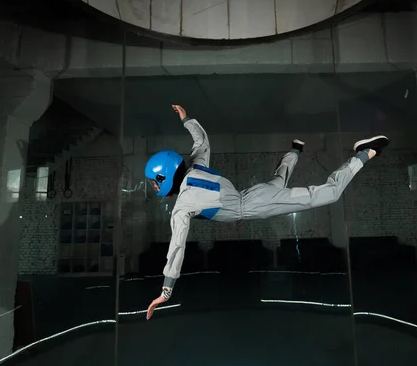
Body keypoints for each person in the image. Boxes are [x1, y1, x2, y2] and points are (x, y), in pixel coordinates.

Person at [144, 105, 389, 319]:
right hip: (253, 195)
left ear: (164, 176)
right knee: (278, 180)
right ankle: (294, 150)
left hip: (254, 205)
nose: (155, 187)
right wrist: (187, 120)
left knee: (328, 193)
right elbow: (202, 142)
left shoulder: (183, 205)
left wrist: (166, 291)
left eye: (155, 182)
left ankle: (365, 152)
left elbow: (177, 246)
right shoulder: (197, 167)